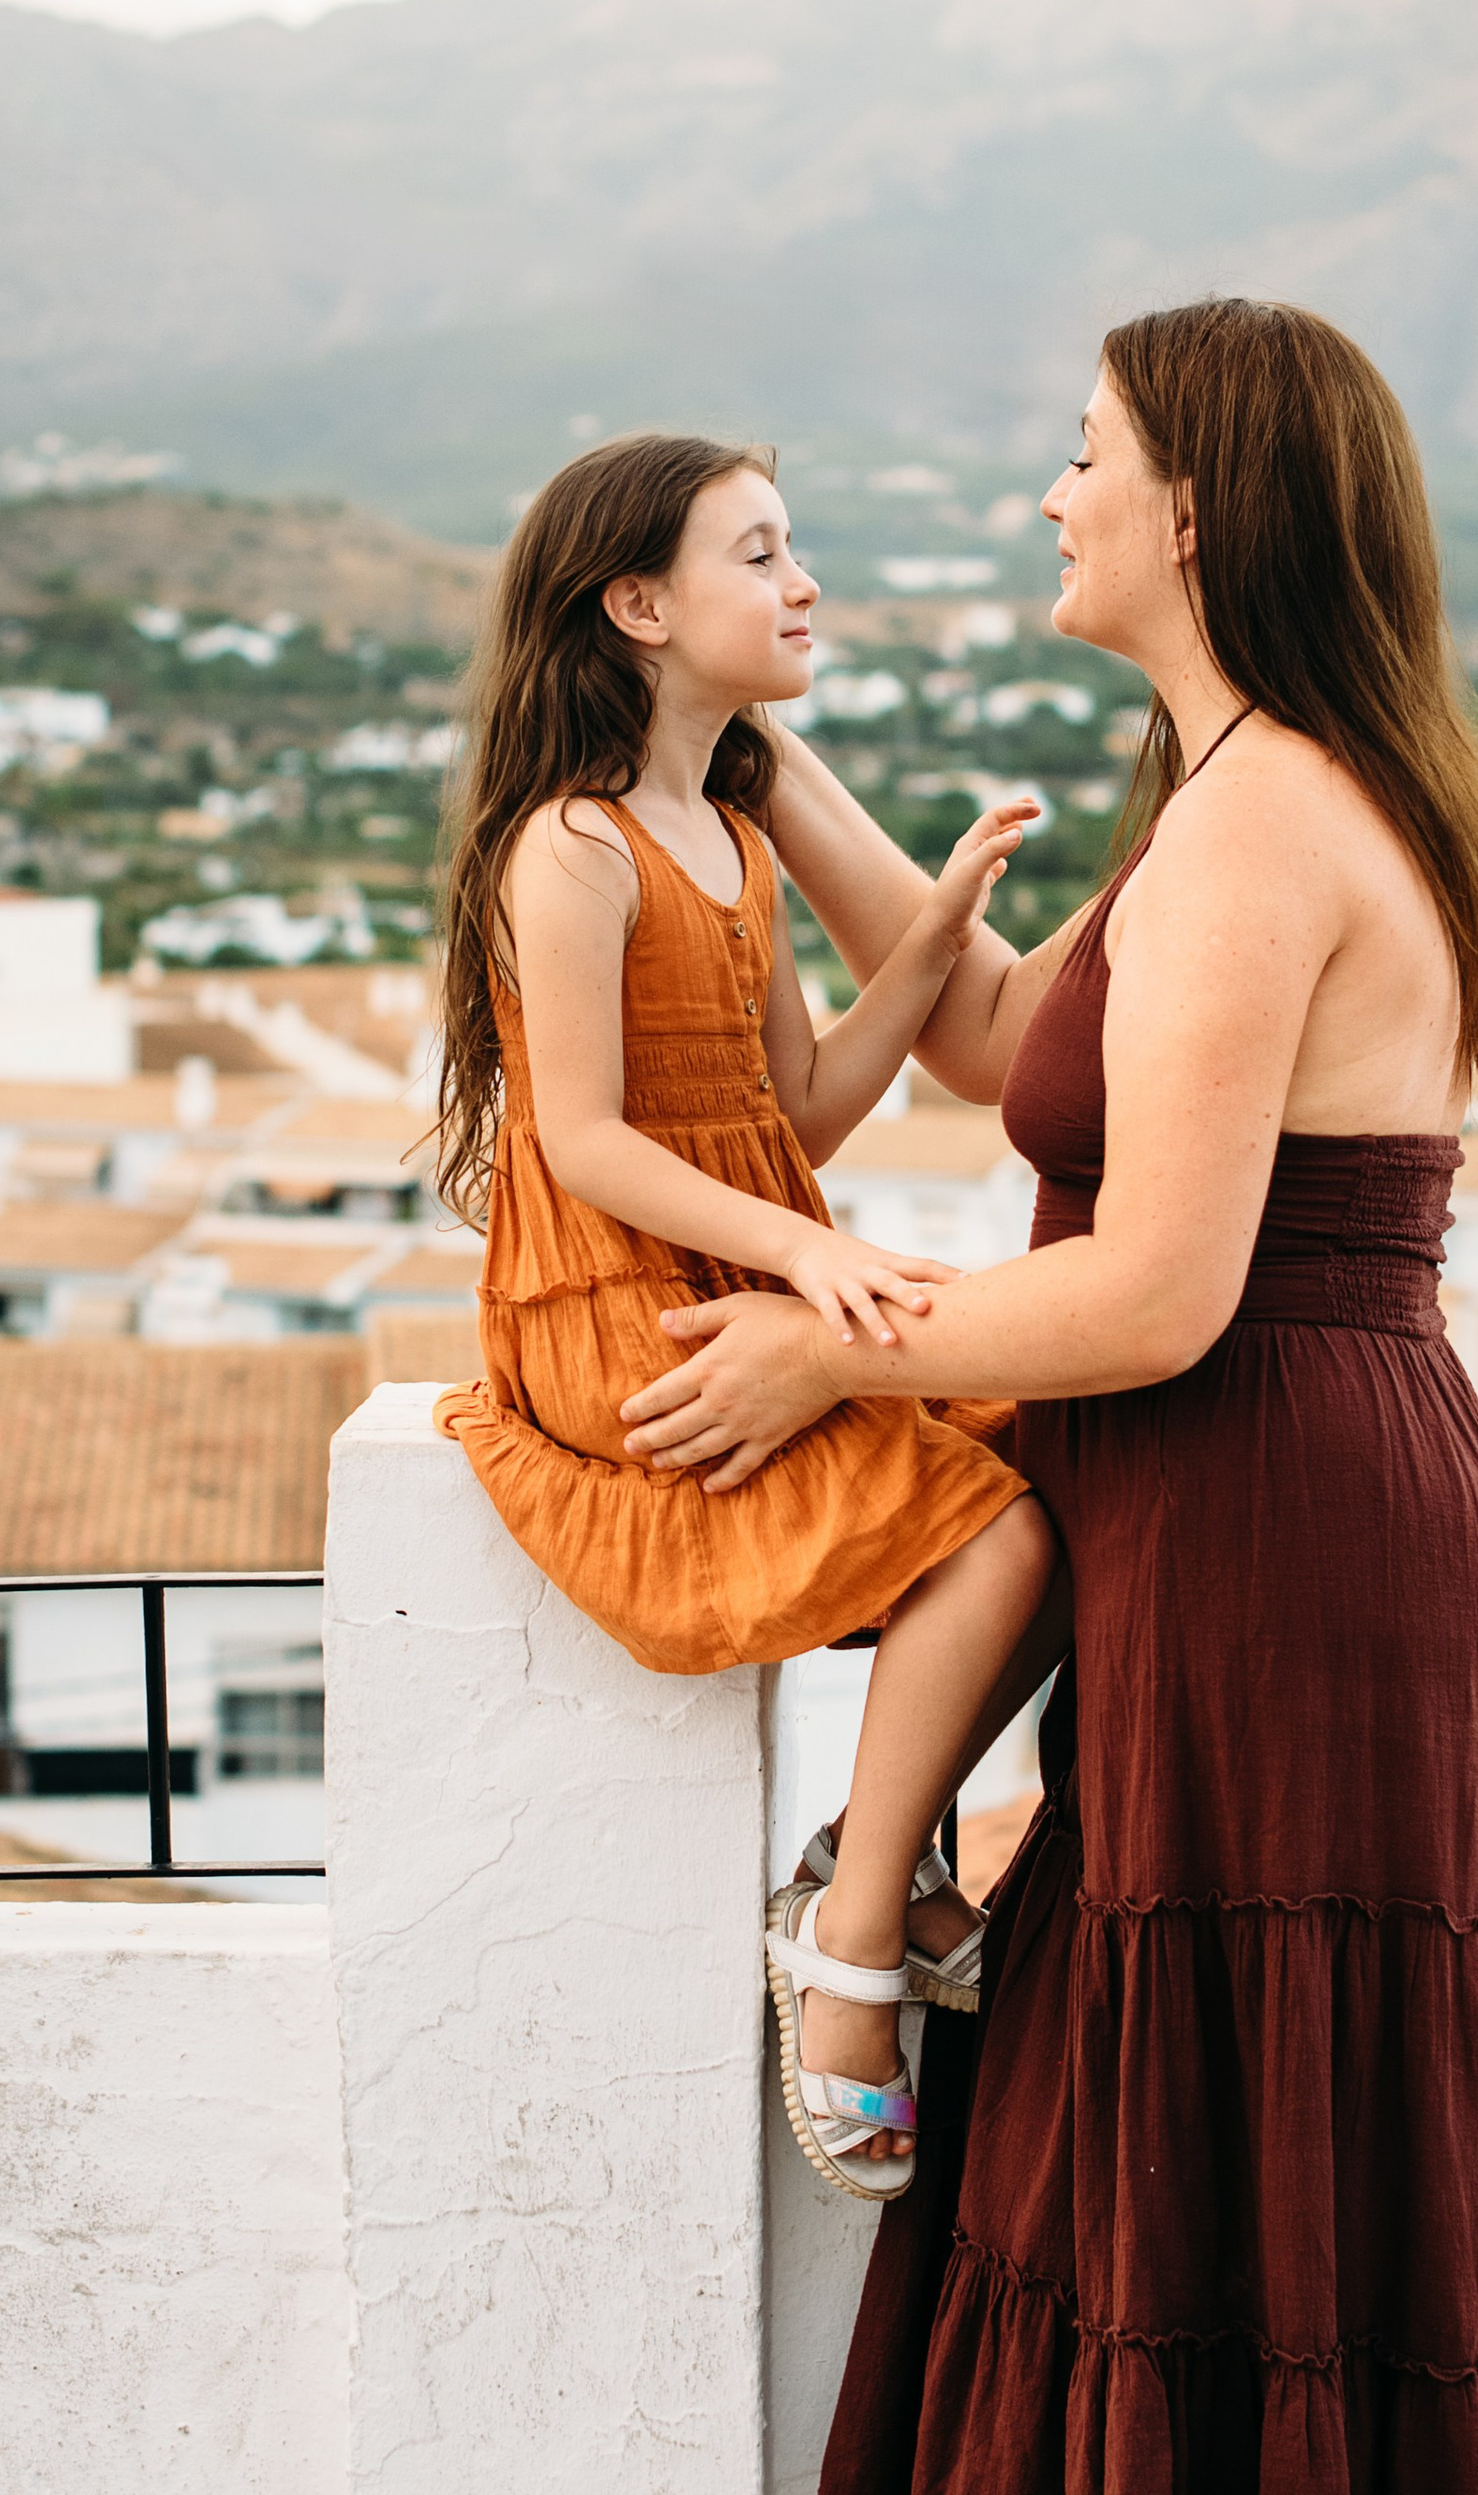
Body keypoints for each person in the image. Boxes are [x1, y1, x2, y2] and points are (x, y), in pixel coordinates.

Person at [595, 301, 1478, 2495]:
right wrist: (752, 749)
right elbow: (1027, 1048)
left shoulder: (1276, 819)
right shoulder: (1240, 802)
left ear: (1202, 513)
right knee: (1110, 2152)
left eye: (1090, 461)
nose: (1054, 495)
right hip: (1255, 1545)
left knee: (1253, 2163)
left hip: (1288, 1550)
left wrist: (838, 1343)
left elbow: (1151, 1290)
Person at [432, 432, 1061, 2204]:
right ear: (639, 606)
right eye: (762, 556)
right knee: (995, 1540)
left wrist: (932, 932)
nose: (804, 589)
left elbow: (800, 1109)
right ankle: (854, 1944)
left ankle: (885, 1845)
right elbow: (584, 1141)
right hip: (620, 1304)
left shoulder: (724, 837)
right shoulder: (567, 848)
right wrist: (799, 1266)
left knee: (1055, 1437)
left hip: (733, 1265)